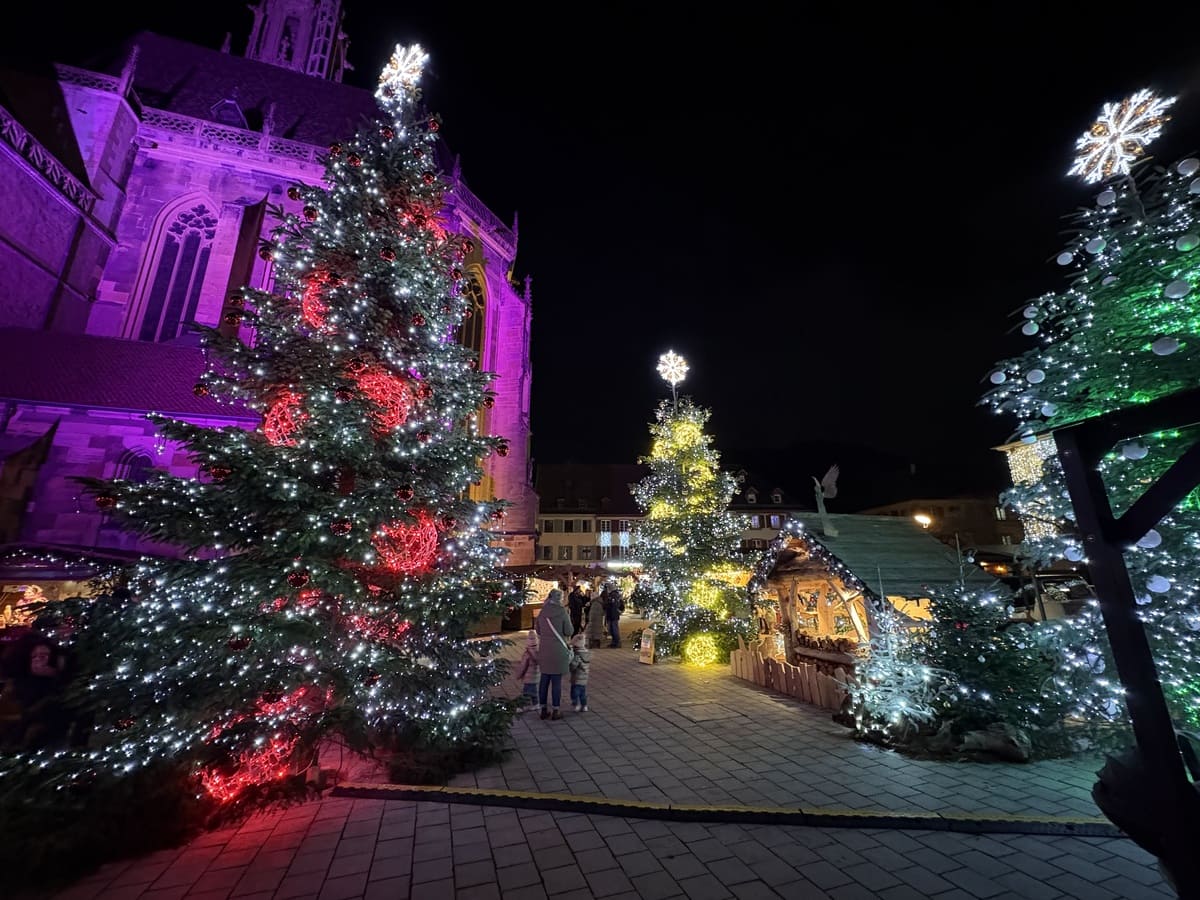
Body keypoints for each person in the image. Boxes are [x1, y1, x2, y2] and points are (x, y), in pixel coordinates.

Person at [534, 588, 573, 720]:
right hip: (558, 651)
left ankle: (543, 709)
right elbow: (569, 631)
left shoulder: (542, 612)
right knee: (556, 682)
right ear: (560, 598)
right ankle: (556, 710)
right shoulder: (562, 612)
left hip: (544, 650)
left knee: (543, 680)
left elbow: (537, 630)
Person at [514, 629, 540, 711]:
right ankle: (536, 704)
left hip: (528, 677)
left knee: (526, 692)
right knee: (533, 691)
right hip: (536, 676)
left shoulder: (527, 654)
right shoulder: (539, 651)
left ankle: (523, 706)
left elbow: (523, 666)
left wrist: (519, 675)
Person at [568, 632, 591, 712]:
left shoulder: (577, 655)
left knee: (575, 692)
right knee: (583, 693)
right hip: (584, 678)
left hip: (577, 678)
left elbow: (573, 666)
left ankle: (576, 704)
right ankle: (584, 705)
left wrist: (570, 665)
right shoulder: (586, 654)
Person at [604, 581, 625, 648]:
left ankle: (617, 642)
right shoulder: (612, 595)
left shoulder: (614, 595)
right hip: (612, 615)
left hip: (613, 615)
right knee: (611, 629)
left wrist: (608, 605)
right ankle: (614, 642)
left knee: (614, 629)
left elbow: (614, 605)